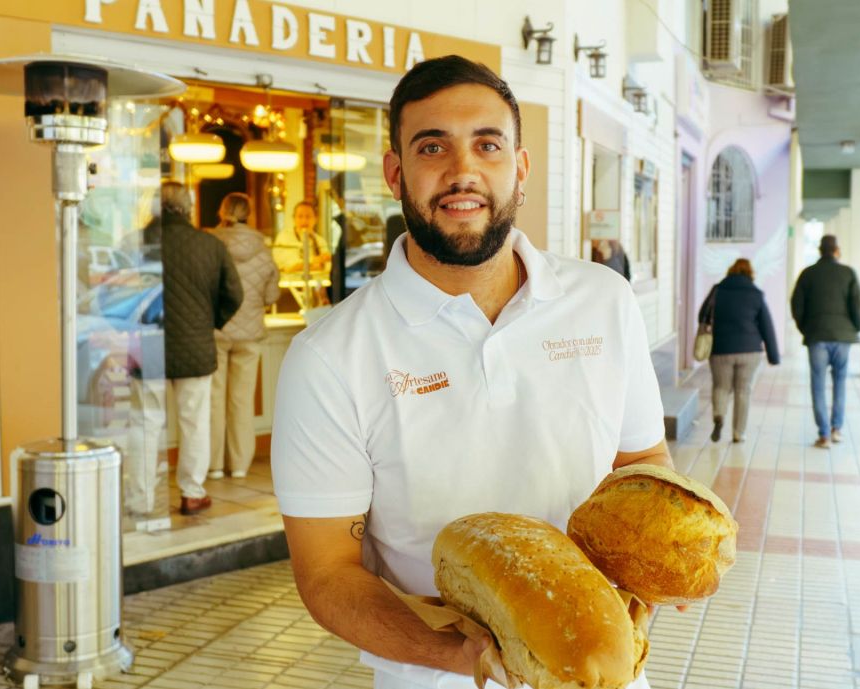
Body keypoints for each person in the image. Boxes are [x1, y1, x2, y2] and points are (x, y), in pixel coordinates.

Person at [271, 55, 671, 689]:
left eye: (488, 144)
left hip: (602, 670)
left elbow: (643, 464)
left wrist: (653, 573)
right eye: (433, 147)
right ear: (396, 172)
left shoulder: (604, 300)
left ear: (520, 167)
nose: (463, 171)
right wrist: (463, 657)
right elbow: (327, 575)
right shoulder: (330, 356)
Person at [127, 181, 243, 517]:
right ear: (188, 208)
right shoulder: (209, 244)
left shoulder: (135, 245)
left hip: (145, 344)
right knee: (194, 422)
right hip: (194, 346)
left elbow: (113, 295)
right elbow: (234, 294)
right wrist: (208, 323)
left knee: (145, 422)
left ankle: (141, 499)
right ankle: (192, 493)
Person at [209, 193, 280, 480]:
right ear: (249, 214)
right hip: (249, 334)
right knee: (241, 400)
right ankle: (239, 464)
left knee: (213, 399)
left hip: (215, 330)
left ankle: (213, 465)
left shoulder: (210, 245)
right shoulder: (263, 252)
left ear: (223, 211)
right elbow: (272, 295)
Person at [790, 234, 860, 449]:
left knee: (818, 385)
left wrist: (806, 328)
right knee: (840, 382)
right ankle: (836, 429)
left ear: (819, 250)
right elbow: (858, 305)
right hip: (843, 338)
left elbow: (796, 304)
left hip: (817, 336)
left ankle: (823, 435)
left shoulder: (808, 274)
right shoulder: (848, 273)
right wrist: (854, 329)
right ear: (836, 250)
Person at [698, 258, 780, 444]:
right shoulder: (756, 294)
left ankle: (719, 417)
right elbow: (767, 326)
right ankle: (738, 433)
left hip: (721, 349)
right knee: (743, 391)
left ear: (730, 271)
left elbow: (702, 315)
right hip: (750, 350)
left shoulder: (718, 290)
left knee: (721, 387)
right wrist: (773, 356)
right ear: (750, 273)